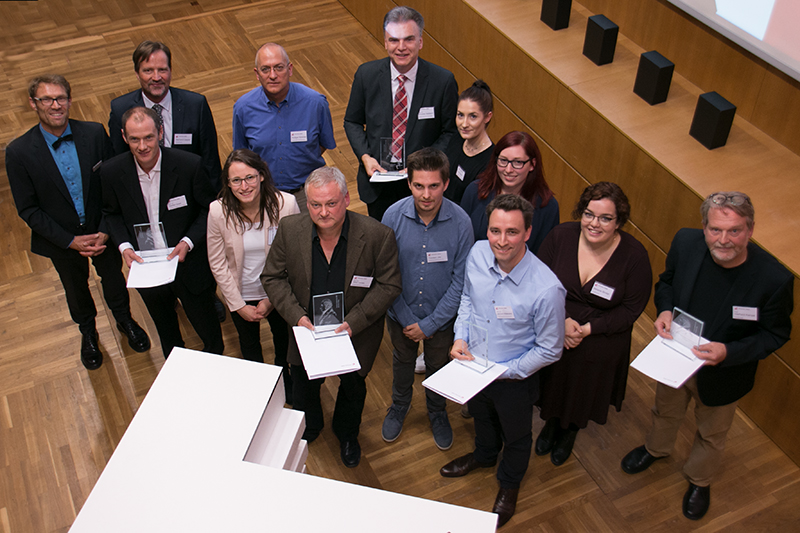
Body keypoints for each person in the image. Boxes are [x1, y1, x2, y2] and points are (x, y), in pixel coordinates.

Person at [621, 192, 793, 521]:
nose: (723, 240)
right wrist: (665, 309)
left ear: (751, 229)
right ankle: (656, 449)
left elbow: (775, 334)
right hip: (675, 358)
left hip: (724, 373)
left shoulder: (774, 279)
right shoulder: (686, 243)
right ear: (703, 227)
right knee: (665, 411)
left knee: (712, 434)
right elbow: (667, 282)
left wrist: (729, 351)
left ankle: (700, 480)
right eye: (715, 230)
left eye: (734, 230)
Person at [6, 74, 150, 370]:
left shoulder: (95, 134)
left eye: (61, 98)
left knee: (114, 280)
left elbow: (113, 183)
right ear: (34, 104)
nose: (55, 105)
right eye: (47, 99)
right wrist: (69, 241)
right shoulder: (18, 152)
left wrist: (106, 231)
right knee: (76, 289)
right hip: (63, 241)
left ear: (70, 101)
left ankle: (125, 320)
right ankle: (89, 332)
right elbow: (28, 209)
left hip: (101, 232)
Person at [262, 167, 402, 468]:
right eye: (315, 204)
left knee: (353, 390)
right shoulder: (289, 230)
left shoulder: (378, 235)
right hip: (306, 332)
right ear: (306, 202)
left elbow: (390, 284)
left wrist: (355, 321)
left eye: (331, 203)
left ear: (347, 199)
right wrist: (297, 318)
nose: (323, 212)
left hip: (355, 334)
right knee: (303, 387)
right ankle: (310, 427)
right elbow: (272, 277)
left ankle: (347, 434)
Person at [439, 194, 565, 527]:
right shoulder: (479, 253)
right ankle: (483, 455)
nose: (501, 240)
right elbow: (468, 299)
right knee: (480, 416)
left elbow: (551, 349)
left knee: (518, 435)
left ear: (527, 232)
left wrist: (506, 372)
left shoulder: (547, 289)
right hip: (473, 367)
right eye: (495, 230)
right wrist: (460, 337)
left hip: (514, 380)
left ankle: (509, 483)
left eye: (511, 232)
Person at [534, 182, 652, 466]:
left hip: (602, 338)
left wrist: (588, 329)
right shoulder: (561, 236)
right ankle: (551, 424)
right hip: (555, 328)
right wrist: (560, 321)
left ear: (619, 222)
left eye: (605, 218)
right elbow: (536, 282)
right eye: (589, 214)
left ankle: (570, 431)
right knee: (553, 383)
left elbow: (631, 309)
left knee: (583, 391)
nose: (594, 224)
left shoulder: (634, 256)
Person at [102, 107, 224, 358]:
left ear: (160, 132)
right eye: (134, 139)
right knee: (168, 334)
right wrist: (124, 246)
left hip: (189, 265)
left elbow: (208, 210)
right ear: (124, 138)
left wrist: (188, 242)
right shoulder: (112, 172)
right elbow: (111, 213)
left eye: (148, 137)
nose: (142, 146)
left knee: (209, 332)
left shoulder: (189, 165)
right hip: (148, 268)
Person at [380, 148, 474, 450]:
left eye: (434, 185)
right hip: (400, 314)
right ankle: (399, 405)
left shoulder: (461, 223)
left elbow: (461, 282)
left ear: (446, 183)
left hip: (441, 319)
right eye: (419, 185)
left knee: (437, 365)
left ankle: (437, 412)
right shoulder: (392, 216)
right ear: (408, 183)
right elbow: (385, 275)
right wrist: (409, 319)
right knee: (402, 361)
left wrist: (431, 323)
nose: (426, 194)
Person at [343, 5, 458, 221]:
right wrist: (365, 157)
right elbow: (352, 121)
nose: (401, 47)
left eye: (409, 39)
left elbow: (451, 132)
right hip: (377, 183)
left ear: (421, 42)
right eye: (394, 40)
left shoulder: (442, 82)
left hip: (421, 187)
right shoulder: (366, 75)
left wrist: (425, 164)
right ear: (385, 42)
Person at [206, 149, 299, 400]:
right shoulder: (217, 211)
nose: (244, 186)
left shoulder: (286, 204)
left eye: (249, 177)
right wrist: (237, 305)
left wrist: (272, 298)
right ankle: (260, 389)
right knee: (249, 347)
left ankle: (284, 380)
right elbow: (217, 262)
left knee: (283, 342)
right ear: (227, 182)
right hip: (240, 293)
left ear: (261, 176)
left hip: (278, 292)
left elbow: (295, 255)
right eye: (236, 180)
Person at [232, 43, 335, 211]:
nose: (273, 75)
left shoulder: (315, 103)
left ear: (290, 69)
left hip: (307, 194)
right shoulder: (243, 108)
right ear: (257, 74)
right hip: (264, 195)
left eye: (279, 68)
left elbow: (323, 143)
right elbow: (242, 155)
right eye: (265, 69)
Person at [108, 40, 222, 191]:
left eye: (162, 70)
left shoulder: (195, 105)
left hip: (188, 192)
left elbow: (210, 162)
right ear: (137, 74)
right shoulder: (120, 109)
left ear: (170, 71)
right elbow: (119, 162)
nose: (156, 78)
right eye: (148, 71)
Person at [461, 130, 559, 254]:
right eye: (503, 160)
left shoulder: (547, 207)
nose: (508, 169)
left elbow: (544, 255)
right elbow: (461, 240)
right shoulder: (475, 191)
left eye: (517, 162)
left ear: (532, 164)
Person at [443, 80, 494, 205]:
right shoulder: (456, 138)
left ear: (487, 117)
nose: (464, 124)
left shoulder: (491, 161)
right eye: (460, 115)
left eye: (473, 116)